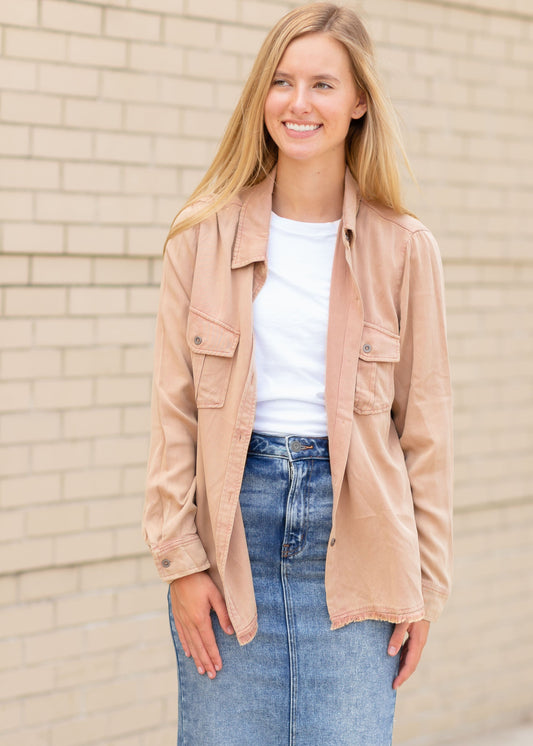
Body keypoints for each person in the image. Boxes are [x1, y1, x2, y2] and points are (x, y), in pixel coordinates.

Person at [143, 3, 453, 744]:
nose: (298, 102)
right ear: (261, 97)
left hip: (363, 540)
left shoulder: (405, 250)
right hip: (230, 543)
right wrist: (180, 561)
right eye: (281, 82)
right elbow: (173, 414)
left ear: (358, 103)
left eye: (322, 84)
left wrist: (426, 587)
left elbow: (427, 430)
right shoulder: (199, 238)